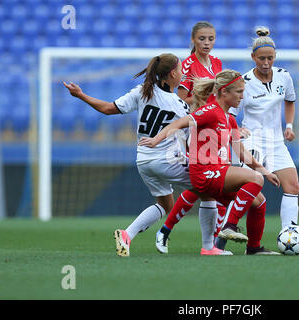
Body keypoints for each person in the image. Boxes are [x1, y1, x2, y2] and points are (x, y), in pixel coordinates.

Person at [63, 53, 232, 257]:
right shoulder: (179, 106)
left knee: (165, 204)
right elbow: (189, 139)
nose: (182, 74)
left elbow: (108, 109)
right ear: (172, 74)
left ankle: (127, 235)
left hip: (143, 160)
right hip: (167, 160)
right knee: (208, 192)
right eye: (180, 71)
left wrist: (81, 95)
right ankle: (208, 247)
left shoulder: (143, 91)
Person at [140, 69, 282, 255]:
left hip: (217, 174)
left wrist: (265, 170)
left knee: (259, 201)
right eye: (238, 91)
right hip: (204, 173)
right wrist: (156, 140)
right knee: (255, 179)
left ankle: (253, 247)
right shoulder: (211, 111)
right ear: (224, 92)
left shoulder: (229, 119)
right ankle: (229, 227)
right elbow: (179, 123)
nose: (242, 96)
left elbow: (241, 153)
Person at [218, 26, 299, 249]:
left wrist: (289, 125)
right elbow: (229, 113)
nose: (266, 62)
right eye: (261, 58)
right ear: (253, 57)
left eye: (270, 58)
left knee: (292, 186)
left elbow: (290, 101)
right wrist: (238, 131)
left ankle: (289, 236)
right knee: (253, 192)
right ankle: (223, 235)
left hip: (276, 142)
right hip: (252, 141)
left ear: (275, 57)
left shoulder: (284, 77)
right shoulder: (244, 82)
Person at [155, 21, 228, 253]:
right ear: (193, 40)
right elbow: (182, 100)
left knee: (207, 185)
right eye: (202, 39)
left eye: (211, 39)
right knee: (206, 182)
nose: (207, 43)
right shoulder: (187, 65)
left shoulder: (217, 63)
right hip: (197, 128)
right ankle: (211, 241)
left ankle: (207, 240)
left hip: (215, 127)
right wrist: (204, 102)